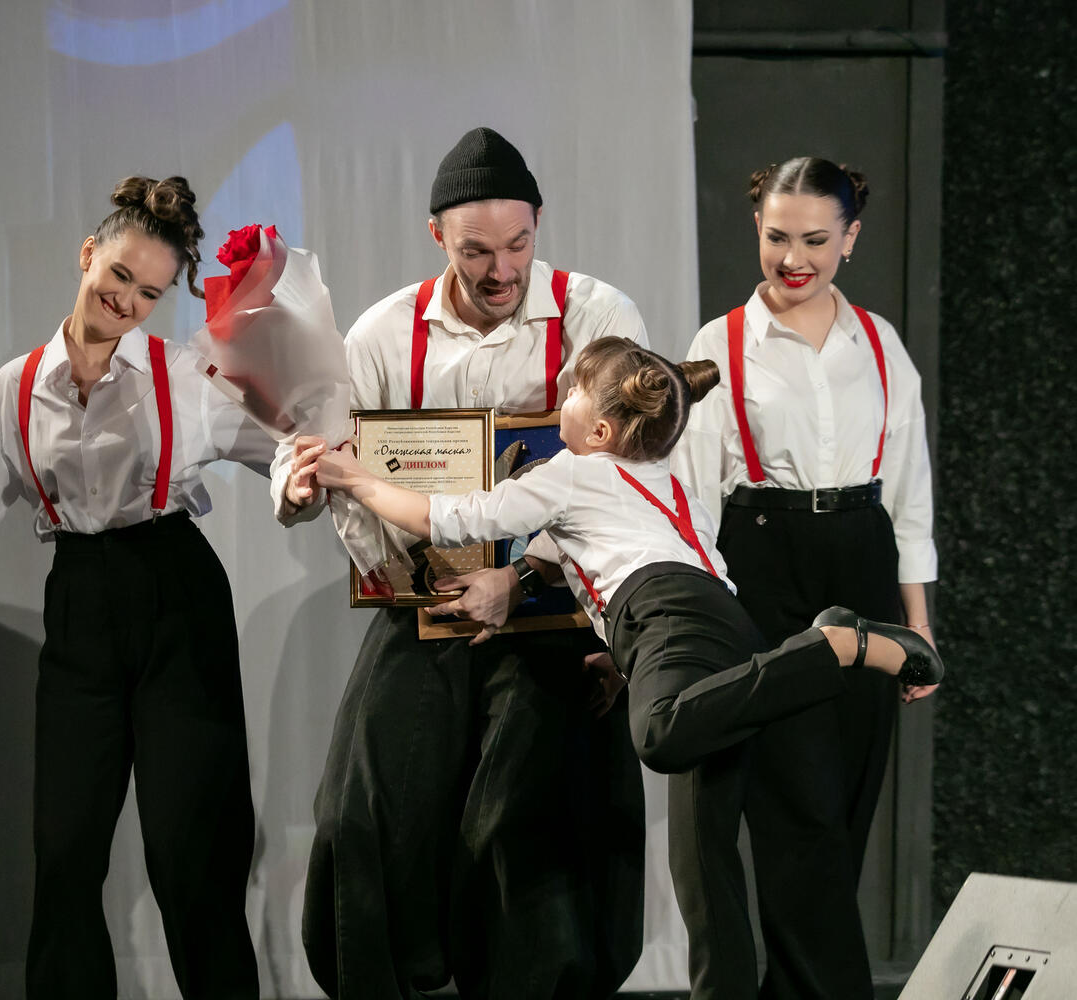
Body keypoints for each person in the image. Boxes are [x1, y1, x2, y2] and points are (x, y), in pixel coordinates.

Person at [313, 336, 944, 1000]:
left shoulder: (571, 473)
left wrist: (357, 480)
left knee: (660, 735)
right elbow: (667, 573)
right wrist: (632, 663)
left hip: (668, 615)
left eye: (570, 394)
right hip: (719, 626)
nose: (560, 401)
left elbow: (446, 520)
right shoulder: (665, 484)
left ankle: (833, 646)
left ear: (600, 431)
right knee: (703, 867)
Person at [0, 176, 274, 1000]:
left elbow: (286, 453)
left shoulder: (183, 374)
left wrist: (323, 477)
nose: (127, 301)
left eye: (149, 292)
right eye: (119, 275)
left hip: (178, 598)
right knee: (65, 852)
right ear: (87, 254)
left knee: (193, 855)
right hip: (80, 603)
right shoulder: (16, 386)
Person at [278, 127, 650, 999]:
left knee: (523, 823)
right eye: (476, 251)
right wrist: (296, 485)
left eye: (517, 245)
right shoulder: (383, 333)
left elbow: (627, 474)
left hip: (553, 603)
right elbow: (325, 447)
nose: (500, 270)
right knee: (363, 811)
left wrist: (518, 579)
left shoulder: (599, 317)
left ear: (538, 225)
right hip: (431, 602)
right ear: (436, 236)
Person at [671, 156, 939, 997]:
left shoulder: (881, 345)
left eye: (816, 240)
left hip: (863, 560)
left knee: (843, 817)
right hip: (763, 564)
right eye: (777, 237)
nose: (794, 258)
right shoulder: (718, 345)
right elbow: (692, 499)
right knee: (799, 817)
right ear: (756, 228)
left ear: (849, 238)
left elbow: (909, 495)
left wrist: (916, 627)